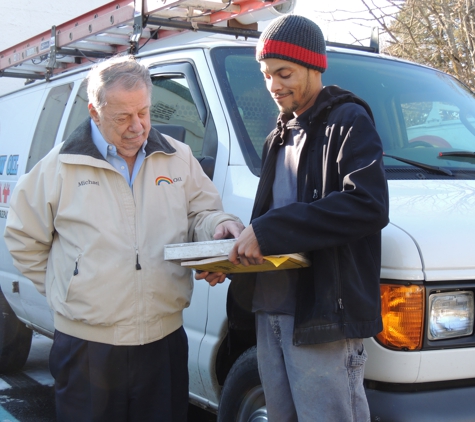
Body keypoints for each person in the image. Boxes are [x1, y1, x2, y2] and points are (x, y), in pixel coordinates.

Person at [4, 55, 243, 422]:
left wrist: (219, 227)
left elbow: (202, 212)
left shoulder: (177, 157)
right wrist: (67, 288)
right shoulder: (59, 166)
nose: (137, 127)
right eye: (122, 117)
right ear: (94, 111)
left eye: (144, 113)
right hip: (87, 347)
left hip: (163, 341)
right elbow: (23, 237)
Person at [197, 15, 389, 422]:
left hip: (321, 316)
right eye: (266, 74)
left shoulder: (349, 121)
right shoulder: (278, 134)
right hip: (270, 313)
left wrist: (267, 231)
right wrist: (231, 261)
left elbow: (368, 205)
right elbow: (269, 229)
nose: (273, 85)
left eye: (284, 73)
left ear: (314, 66)